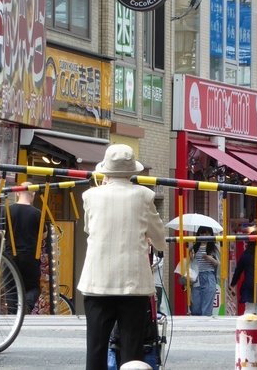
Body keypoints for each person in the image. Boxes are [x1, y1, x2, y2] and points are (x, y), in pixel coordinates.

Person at [78, 144, 166, 370]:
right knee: (132, 347)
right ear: (132, 171)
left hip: (97, 282)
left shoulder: (90, 196)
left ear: (106, 171)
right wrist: (152, 241)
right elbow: (158, 236)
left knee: (96, 347)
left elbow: (90, 228)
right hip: (133, 284)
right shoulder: (144, 196)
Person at [6, 182, 42, 314]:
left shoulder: (8, 210)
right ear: (33, 195)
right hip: (30, 256)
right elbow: (43, 235)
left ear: (17, 193)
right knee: (33, 287)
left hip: (10, 255)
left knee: (11, 287)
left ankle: (13, 314)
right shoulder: (37, 213)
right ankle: (26, 306)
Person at [189, 225, 219, 316]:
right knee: (195, 307)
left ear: (211, 234)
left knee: (206, 307)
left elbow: (218, 263)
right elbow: (190, 263)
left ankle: (206, 327)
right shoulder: (193, 247)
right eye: (202, 233)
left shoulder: (214, 247)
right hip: (196, 277)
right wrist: (191, 257)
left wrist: (209, 258)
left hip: (209, 276)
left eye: (206, 233)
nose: (204, 235)